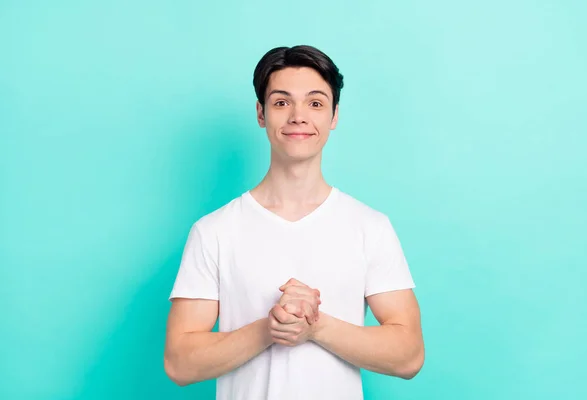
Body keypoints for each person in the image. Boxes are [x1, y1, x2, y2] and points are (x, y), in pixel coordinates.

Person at [164, 45, 425, 400]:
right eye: (282, 102)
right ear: (261, 113)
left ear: (334, 116)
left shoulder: (370, 227)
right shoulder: (214, 231)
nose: (298, 116)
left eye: (315, 103)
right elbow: (179, 363)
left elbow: (409, 355)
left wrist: (315, 326)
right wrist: (269, 329)